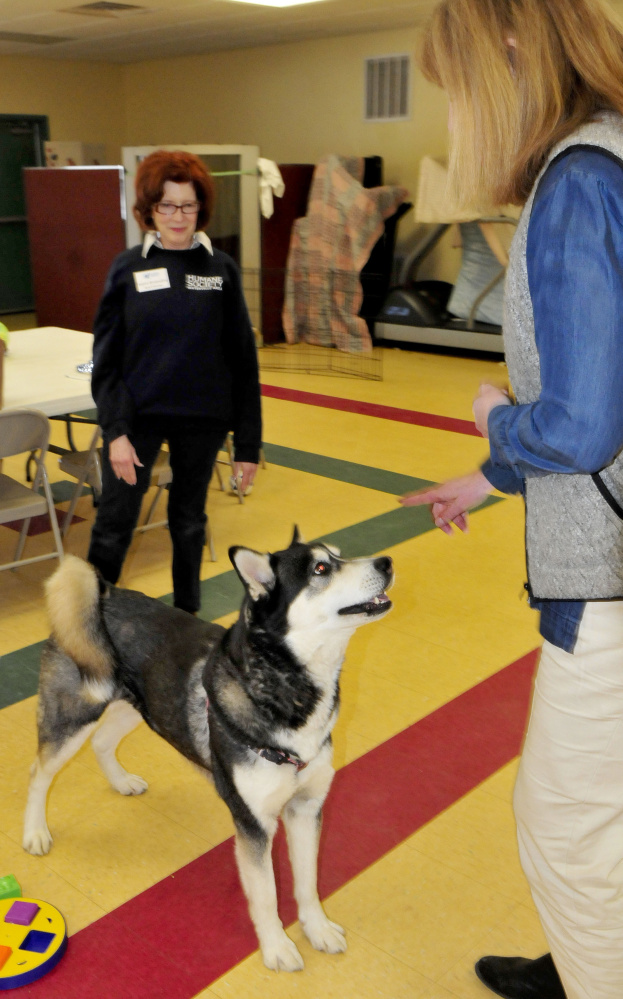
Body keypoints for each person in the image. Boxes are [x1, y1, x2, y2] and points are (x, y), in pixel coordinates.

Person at [403, 2, 623, 997]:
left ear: (505, 55)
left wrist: (498, 424)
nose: (454, 125)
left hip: (609, 577)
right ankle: (582, 955)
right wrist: (489, 477)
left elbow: (579, 423)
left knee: (565, 831)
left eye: (453, 93)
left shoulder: (577, 183)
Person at [88, 149, 261, 614]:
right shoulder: (127, 268)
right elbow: (106, 362)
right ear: (149, 210)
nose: (178, 216)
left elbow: (243, 362)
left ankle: (187, 619)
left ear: (201, 208)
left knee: (188, 522)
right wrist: (116, 432)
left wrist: (247, 445)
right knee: (115, 520)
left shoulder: (220, 269)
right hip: (137, 418)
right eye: (166, 205)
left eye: (187, 205)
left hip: (202, 421)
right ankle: (85, 622)